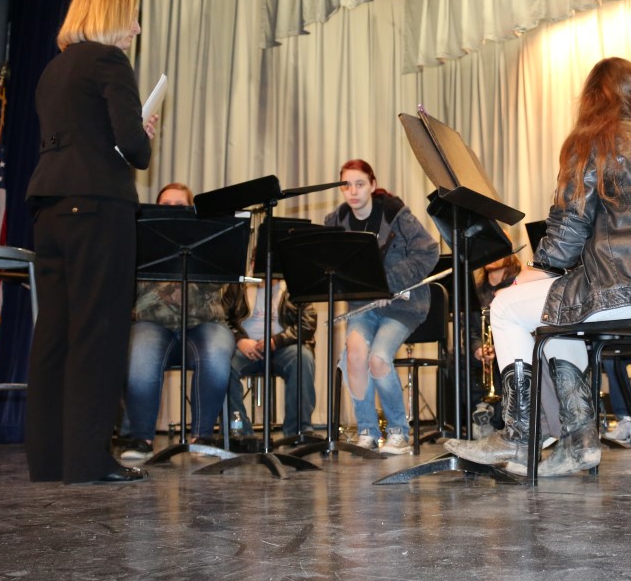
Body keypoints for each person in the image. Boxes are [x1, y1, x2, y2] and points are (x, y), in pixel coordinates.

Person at [446, 57, 631, 476]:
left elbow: (569, 228)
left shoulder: (593, 139)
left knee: (505, 305)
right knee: (556, 311)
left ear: (591, 97)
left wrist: (535, 269)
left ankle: (519, 435)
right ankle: (579, 445)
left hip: (629, 293)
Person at [25, 0, 156, 484]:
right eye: (132, 17)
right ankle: (87, 461)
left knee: (54, 333)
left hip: (49, 207)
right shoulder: (108, 61)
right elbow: (132, 148)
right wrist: (142, 133)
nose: (136, 28)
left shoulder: (52, 70)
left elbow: (81, 135)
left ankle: (49, 460)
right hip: (98, 206)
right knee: (98, 333)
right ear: (110, 15)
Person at [324, 159, 439, 454]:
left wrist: (390, 282)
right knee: (354, 354)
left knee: (377, 358)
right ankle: (367, 431)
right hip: (364, 305)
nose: (353, 191)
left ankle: (399, 432)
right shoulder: (336, 221)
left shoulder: (394, 213)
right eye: (346, 185)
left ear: (372, 185)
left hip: (403, 304)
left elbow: (429, 251)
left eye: (359, 184)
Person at [117, 184, 237, 461]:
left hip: (205, 324)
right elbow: (132, 288)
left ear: (191, 209)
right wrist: (170, 292)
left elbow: (218, 285)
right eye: (166, 204)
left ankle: (202, 437)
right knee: (140, 351)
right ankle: (142, 439)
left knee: (217, 350)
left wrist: (169, 291)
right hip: (151, 324)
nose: (172, 209)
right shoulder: (139, 234)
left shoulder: (209, 235)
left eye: (180, 205)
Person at [225, 277, 317, 440]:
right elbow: (221, 318)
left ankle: (298, 431)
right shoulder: (238, 286)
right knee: (223, 366)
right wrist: (239, 339)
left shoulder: (294, 285)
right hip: (244, 349)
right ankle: (238, 431)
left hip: (283, 347)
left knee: (302, 358)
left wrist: (277, 341)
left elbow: (308, 323)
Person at [468, 254, 522, 439]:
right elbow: (469, 328)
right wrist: (478, 348)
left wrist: (498, 349)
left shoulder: (516, 286)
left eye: (495, 252)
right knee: (459, 358)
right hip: (484, 349)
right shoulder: (475, 291)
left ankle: (497, 419)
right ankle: (481, 409)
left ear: (509, 256)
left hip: (509, 345)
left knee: (505, 363)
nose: (489, 255)